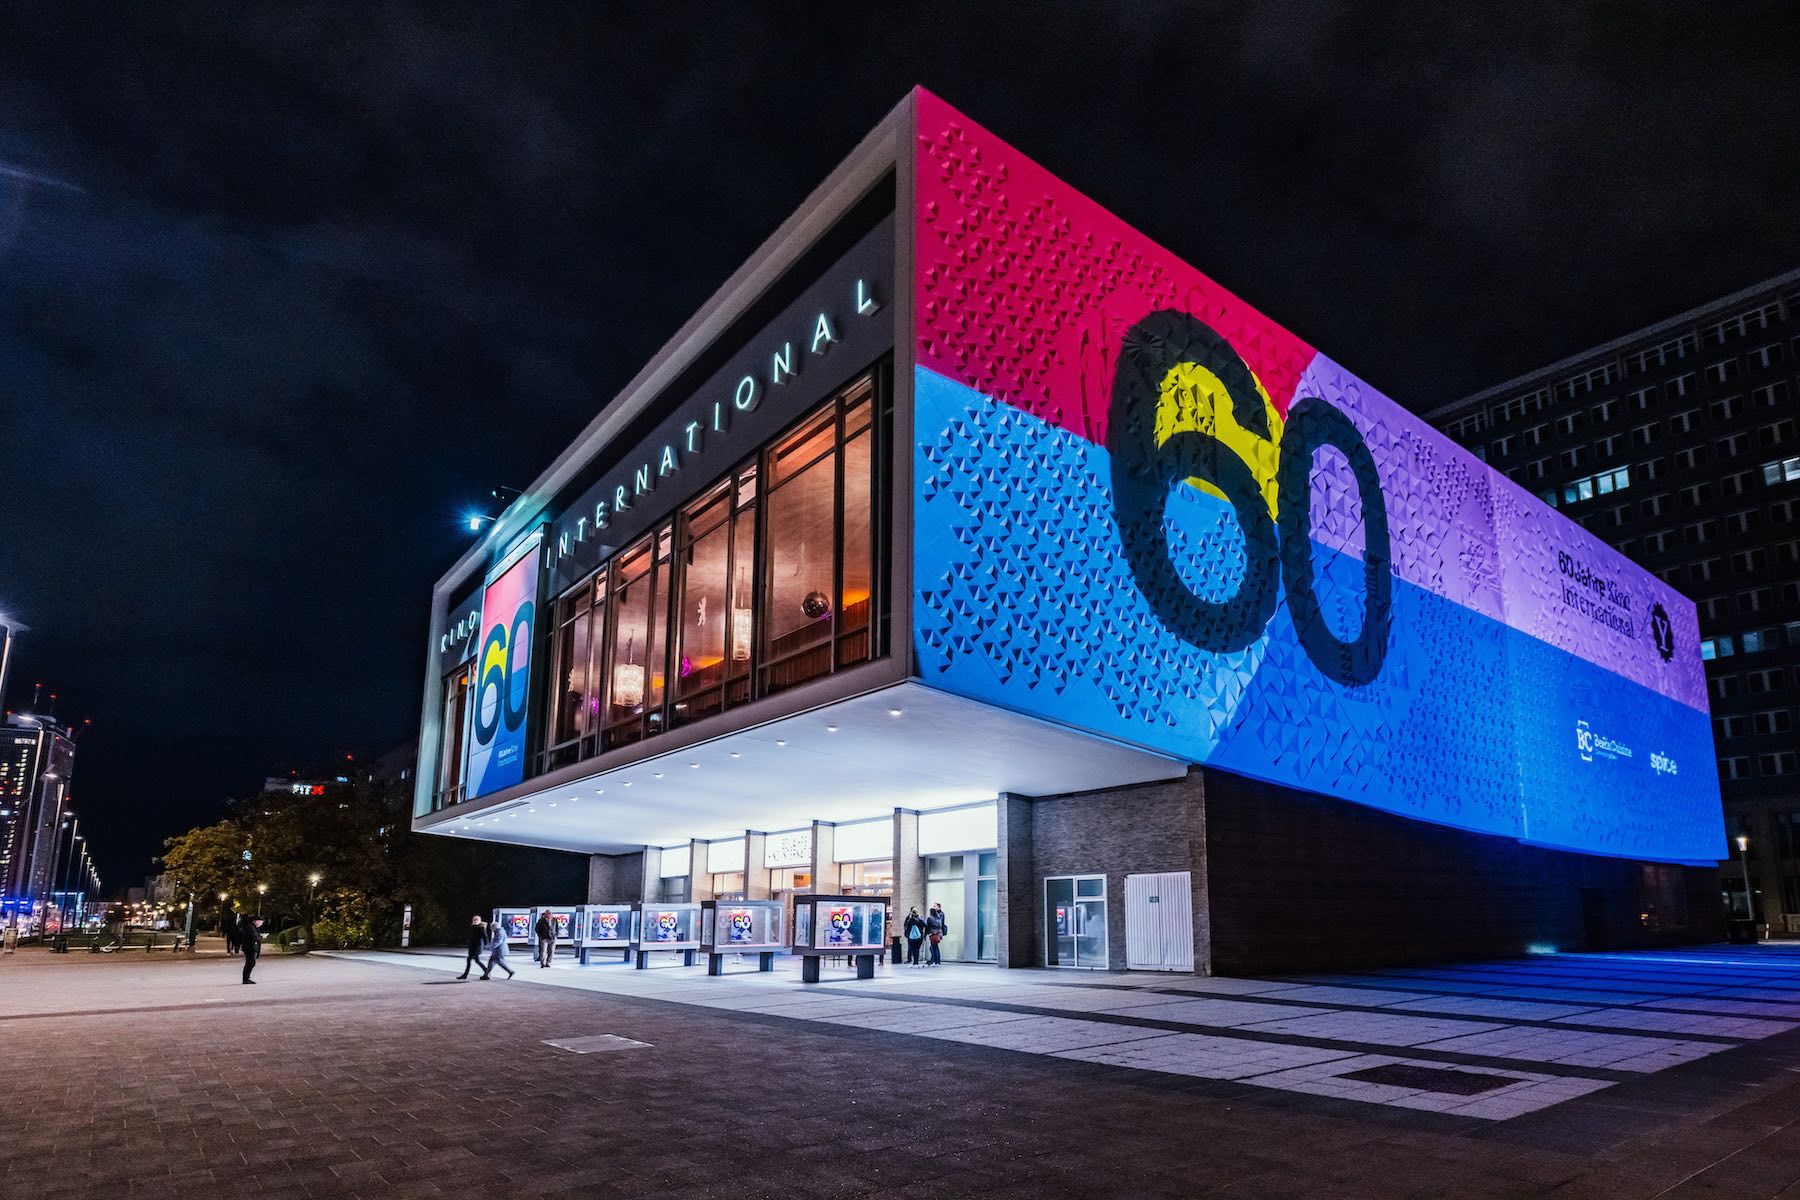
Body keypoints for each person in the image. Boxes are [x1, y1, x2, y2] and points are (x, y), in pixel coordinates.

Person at [457, 914, 487, 980]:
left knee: (470, 960)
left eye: (477, 920)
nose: (475, 921)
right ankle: (486, 971)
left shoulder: (481, 928)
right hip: (472, 947)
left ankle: (465, 975)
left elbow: (485, 937)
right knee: (476, 961)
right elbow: (471, 937)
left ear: (479, 920)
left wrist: (486, 944)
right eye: (474, 920)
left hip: (477, 948)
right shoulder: (473, 927)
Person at [240, 913, 263, 985]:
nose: (261, 924)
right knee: (250, 963)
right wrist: (260, 937)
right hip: (250, 948)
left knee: (250, 963)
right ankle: (246, 979)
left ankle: (246, 978)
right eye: (261, 922)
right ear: (256, 921)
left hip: (250, 947)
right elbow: (254, 937)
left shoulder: (252, 927)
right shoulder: (251, 927)